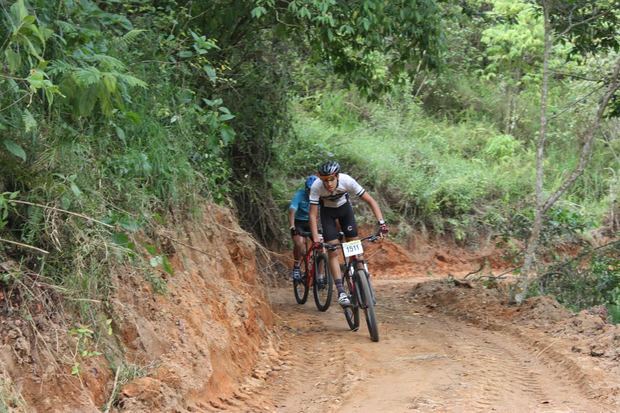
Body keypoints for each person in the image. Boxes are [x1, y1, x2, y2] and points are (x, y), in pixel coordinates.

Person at [308, 160, 388, 306]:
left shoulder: (347, 181)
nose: (329, 184)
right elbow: (313, 215)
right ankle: (341, 292)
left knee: (355, 249)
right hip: (328, 215)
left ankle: (364, 282)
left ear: (337, 176)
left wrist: (381, 223)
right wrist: (315, 239)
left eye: (332, 179)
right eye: (325, 180)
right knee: (332, 250)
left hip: (345, 211)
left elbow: (370, 200)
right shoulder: (316, 186)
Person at [288, 175, 319, 280]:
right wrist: (292, 226)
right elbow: (292, 210)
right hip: (299, 222)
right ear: (306, 189)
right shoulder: (300, 194)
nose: (311, 192)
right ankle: (296, 267)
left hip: (312, 222)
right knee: (299, 243)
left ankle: (320, 275)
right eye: (309, 190)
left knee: (321, 247)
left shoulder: (320, 195)